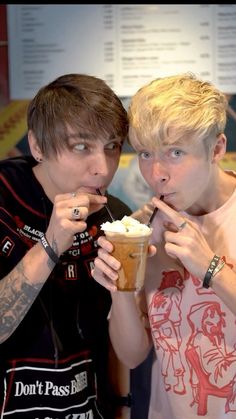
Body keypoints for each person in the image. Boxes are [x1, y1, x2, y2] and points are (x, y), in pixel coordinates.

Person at [0, 73, 152, 419]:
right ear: (37, 146)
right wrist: (52, 242)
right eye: (81, 146)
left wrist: (122, 408)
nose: (102, 168)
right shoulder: (5, 197)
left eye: (112, 146)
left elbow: (124, 351)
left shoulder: (114, 216)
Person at [92, 73, 236, 419]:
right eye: (145, 153)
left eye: (175, 152)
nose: (156, 173)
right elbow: (132, 355)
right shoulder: (146, 227)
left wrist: (211, 268)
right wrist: (120, 288)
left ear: (216, 148)